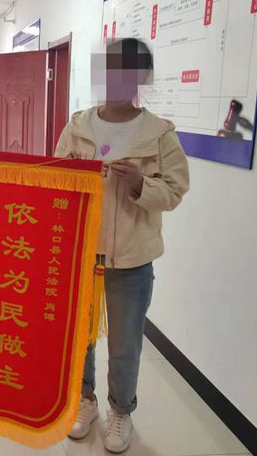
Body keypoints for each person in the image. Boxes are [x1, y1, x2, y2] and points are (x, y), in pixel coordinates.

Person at [54, 38, 189, 453]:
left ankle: (121, 410)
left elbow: (175, 191)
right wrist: (72, 176)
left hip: (132, 259)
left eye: (127, 70)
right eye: (109, 68)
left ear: (142, 76)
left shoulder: (159, 133)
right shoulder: (78, 126)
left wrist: (139, 185)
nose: (116, 78)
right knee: (80, 337)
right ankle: (85, 400)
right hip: (81, 254)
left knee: (126, 344)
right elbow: (54, 178)